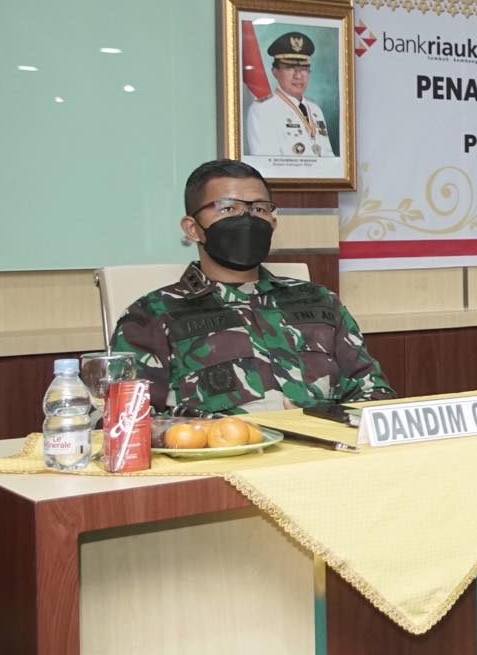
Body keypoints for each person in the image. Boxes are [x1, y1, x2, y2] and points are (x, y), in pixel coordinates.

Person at [111, 160, 394, 415]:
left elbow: (375, 395)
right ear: (192, 228)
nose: (247, 219)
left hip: (326, 451)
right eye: (228, 208)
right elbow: (128, 421)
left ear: (273, 222)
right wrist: (212, 432)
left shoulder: (320, 302)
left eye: (259, 209)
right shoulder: (151, 316)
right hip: (221, 453)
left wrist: (324, 420)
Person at [244, 31, 333, 158]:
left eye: (304, 68)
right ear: (275, 72)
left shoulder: (315, 109)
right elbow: (266, 164)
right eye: (290, 68)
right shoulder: (262, 110)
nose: (298, 76)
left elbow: (328, 156)